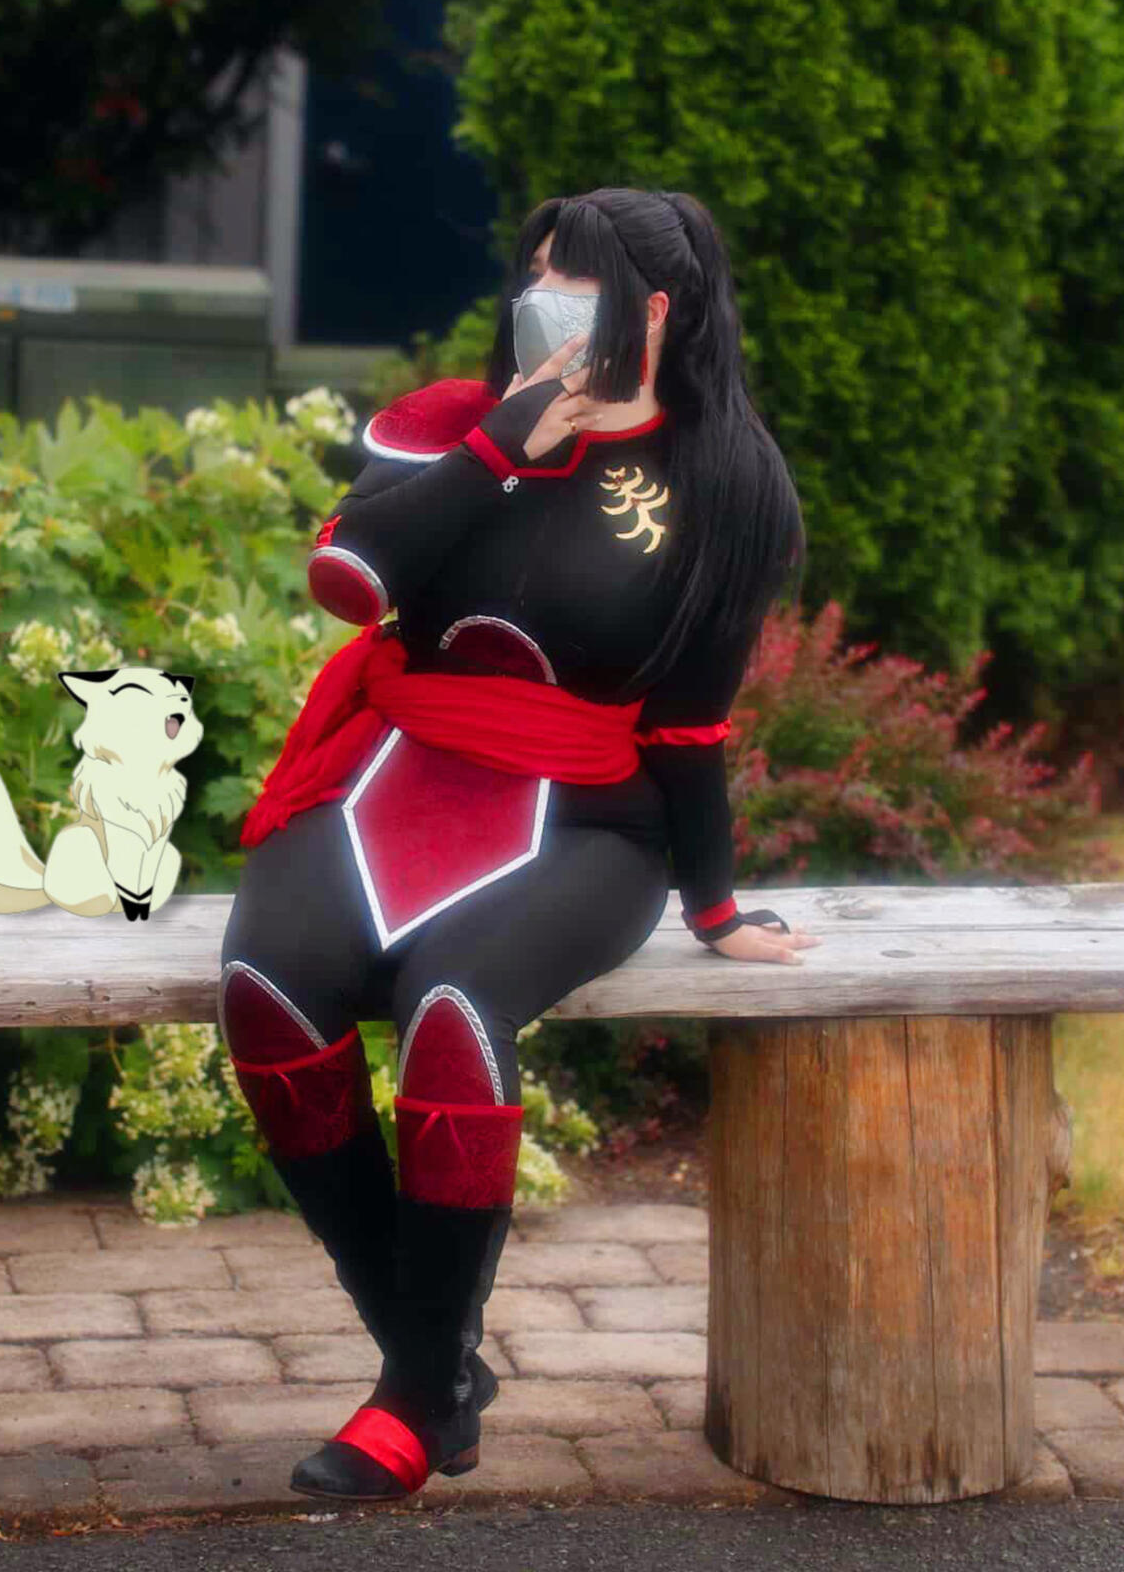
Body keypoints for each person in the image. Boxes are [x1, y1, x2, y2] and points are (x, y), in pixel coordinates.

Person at [218, 185, 820, 1504]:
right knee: (266, 991)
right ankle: (433, 1368)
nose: (540, 298)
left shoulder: (727, 483)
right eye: (533, 272)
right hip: (386, 775)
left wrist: (715, 907)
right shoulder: (449, 424)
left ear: (654, 312)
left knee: (451, 1008)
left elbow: (686, 727)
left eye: (574, 279)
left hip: (588, 814)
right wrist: (500, 444)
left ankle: (407, 1397)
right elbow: (350, 582)